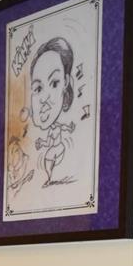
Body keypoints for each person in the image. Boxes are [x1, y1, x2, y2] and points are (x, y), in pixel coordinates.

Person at [29, 37, 76, 186]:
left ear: (66, 82)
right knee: (49, 157)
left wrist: (70, 128)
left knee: (50, 157)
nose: (44, 98)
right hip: (55, 149)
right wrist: (42, 142)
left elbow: (63, 129)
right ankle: (50, 177)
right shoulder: (52, 130)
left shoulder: (77, 151)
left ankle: (50, 177)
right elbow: (50, 140)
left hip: (59, 149)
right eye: (38, 89)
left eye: (54, 83)